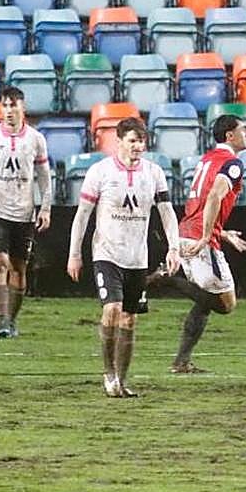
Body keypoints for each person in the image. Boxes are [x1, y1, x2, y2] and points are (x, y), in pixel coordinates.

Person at [66, 117, 180, 397]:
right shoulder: (100, 172)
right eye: (132, 141)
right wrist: (74, 253)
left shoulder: (153, 173)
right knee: (112, 309)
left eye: (141, 141)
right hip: (106, 253)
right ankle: (108, 374)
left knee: (130, 319)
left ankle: (122, 380)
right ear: (119, 141)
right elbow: (83, 214)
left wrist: (173, 247)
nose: (138, 146)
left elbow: (166, 212)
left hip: (137, 257)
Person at [159, 115, 246, 373]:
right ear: (230, 136)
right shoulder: (232, 163)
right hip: (198, 238)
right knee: (225, 304)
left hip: (185, 231)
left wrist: (222, 233)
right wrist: (207, 237)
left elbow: (201, 204)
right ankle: (168, 278)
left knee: (205, 301)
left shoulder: (207, 159)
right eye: (244, 130)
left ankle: (181, 362)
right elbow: (213, 197)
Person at [0, 86, 52, 338]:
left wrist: (46, 208)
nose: (8, 111)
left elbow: (44, 178)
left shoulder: (36, 139)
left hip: (24, 212)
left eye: (13, 105)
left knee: (18, 268)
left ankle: (12, 320)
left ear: (22, 108)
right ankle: (2, 321)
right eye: (5, 106)